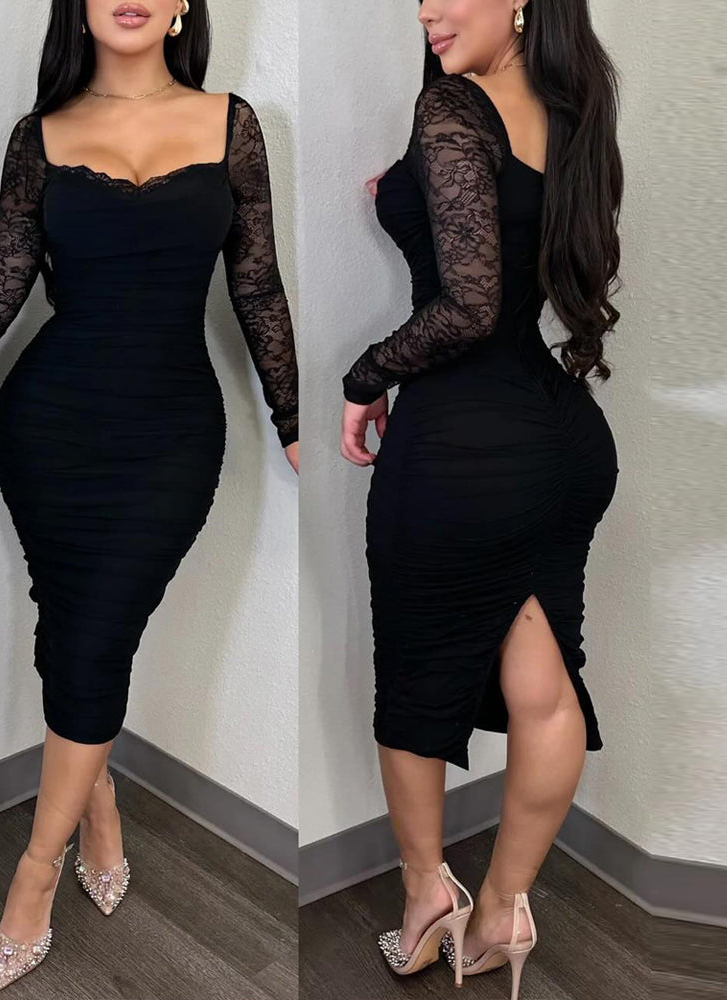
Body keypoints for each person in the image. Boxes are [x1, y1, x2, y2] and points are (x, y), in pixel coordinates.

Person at [0, 1, 297, 992]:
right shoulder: (39, 136)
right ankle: (92, 803)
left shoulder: (232, 125)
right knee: (70, 622)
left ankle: (34, 867)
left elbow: (257, 287)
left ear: (181, 7)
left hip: (171, 436)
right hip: (47, 427)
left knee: (94, 636)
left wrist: (295, 417)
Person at [340, 2, 622, 996]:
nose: (427, 7)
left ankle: (428, 904)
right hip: (560, 441)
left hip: (461, 448)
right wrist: (409, 191)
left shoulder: (454, 107)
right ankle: (502, 911)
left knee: (415, 684)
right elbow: (508, 242)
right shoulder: (573, 109)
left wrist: (365, 374)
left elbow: (465, 306)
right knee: (543, 687)